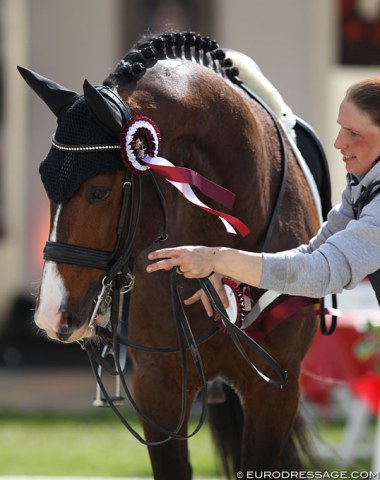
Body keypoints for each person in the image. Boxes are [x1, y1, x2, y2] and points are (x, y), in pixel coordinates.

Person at [146, 77, 380, 314]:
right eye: (341, 128)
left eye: (353, 133)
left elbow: (322, 272)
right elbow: (314, 253)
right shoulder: (365, 184)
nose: (339, 142)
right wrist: (238, 269)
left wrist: (216, 259)